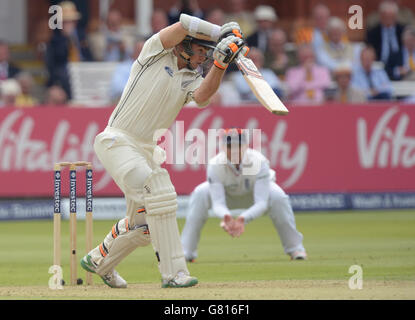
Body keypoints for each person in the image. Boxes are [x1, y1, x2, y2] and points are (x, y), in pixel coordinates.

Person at [80, 14, 249, 288]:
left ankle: (100, 260)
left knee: (144, 227)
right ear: (184, 45)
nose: (203, 58)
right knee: (161, 193)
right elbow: (183, 24)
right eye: (201, 51)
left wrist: (220, 64)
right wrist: (221, 32)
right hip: (117, 141)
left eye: (208, 55)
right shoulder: (154, 52)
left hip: (146, 151)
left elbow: (204, 96)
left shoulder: (191, 77)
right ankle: (174, 274)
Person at [181, 128, 307, 262]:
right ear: (223, 147)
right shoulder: (214, 165)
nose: (234, 150)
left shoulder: (259, 162)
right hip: (227, 195)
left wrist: (243, 219)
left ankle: (295, 249)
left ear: (246, 146)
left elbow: (261, 203)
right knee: (200, 193)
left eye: (238, 146)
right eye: (230, 146)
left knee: (278, 197)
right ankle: (186, 252)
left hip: (254, 195)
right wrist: (226, 216)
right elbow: (218, 203)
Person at [45, 1, 93, 99]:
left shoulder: (82, 37)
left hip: (83, 72)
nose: (69, 24)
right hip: (64, 76)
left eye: (72, 21)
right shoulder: (55, 40)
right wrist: (67, 38)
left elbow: (89, 57)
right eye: (66, 21)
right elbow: (53, 65)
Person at [366, 1, 405, 80]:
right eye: (386, 16)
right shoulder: (372, 33)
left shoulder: (403, 31)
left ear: (396, 16)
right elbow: (369, 52)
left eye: (391, 17)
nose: (388, 20)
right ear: (380, 16)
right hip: (378, 68)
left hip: (401, 69)